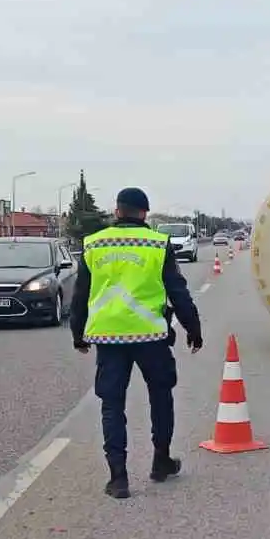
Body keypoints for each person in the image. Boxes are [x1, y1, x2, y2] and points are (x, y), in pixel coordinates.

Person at [70, 188, 204, 498]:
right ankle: (161, 461)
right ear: (144, 213)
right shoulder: (158, 244)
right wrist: (192, 328)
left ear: (117, 211)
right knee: (161, 396)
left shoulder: (93, 244)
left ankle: (118, 478)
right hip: (151, 337)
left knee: (112, 404)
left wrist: (78, 334)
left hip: (108, 337)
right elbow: (177, 291)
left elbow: (80, 296)